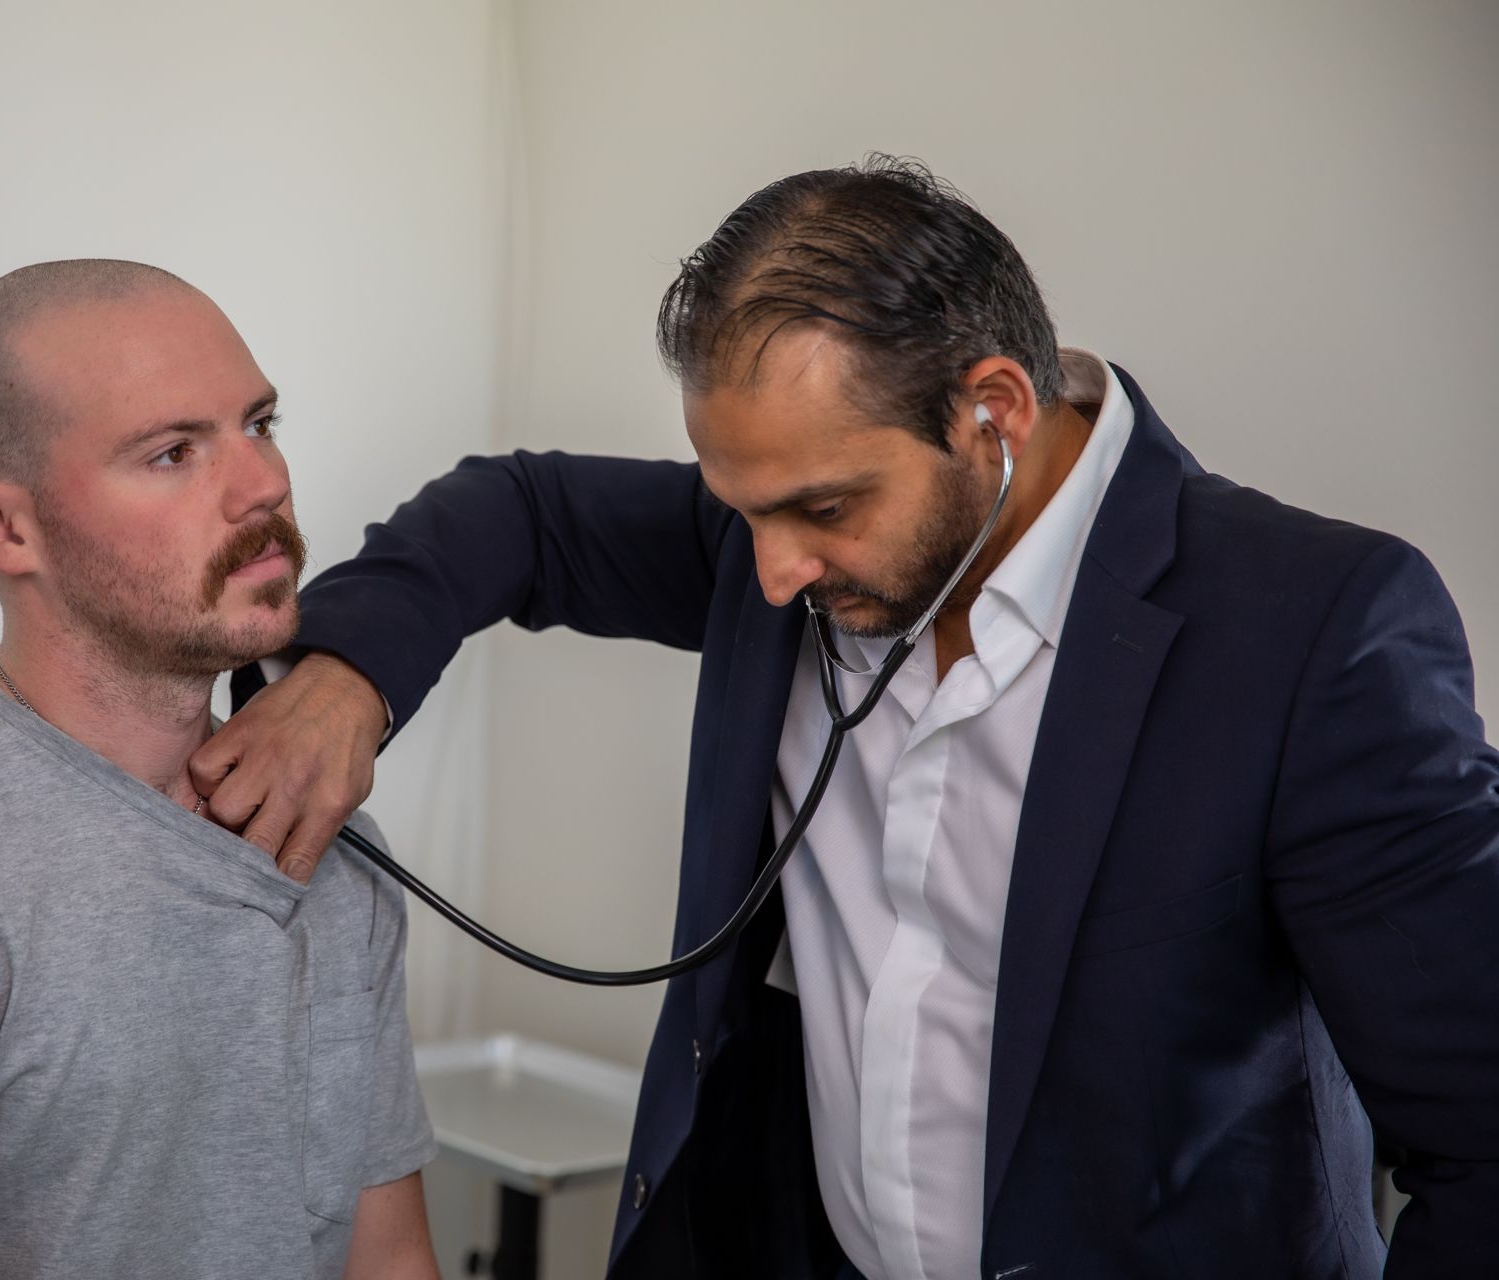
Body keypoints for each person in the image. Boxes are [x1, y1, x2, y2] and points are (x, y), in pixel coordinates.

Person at [196, 159, 1499, 1277]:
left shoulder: (1314, 627)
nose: (770, 575)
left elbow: (1479, 1138)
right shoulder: (787, 538)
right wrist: (347, 677)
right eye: (741, 508)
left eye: (822, 510)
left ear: (992, 410)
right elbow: (514, 512)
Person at [0, 261, 439, 1280]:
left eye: (260, 424)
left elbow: (389, 1258)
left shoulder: (325, 830)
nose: (262, 482)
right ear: (3, 527)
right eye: (174, 451)